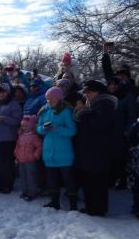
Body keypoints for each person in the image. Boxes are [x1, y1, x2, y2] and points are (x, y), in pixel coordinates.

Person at [74, 80, 118, 216]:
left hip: (99, 151)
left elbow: (98, 125)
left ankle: (98, 209)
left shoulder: (105, 104)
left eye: (89, 91)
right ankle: (91, 207)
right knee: (88, 180)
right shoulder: (91, 104)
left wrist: (83, 111)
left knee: (97, 182)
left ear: (99, 92)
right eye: (85, 91)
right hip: (89, 150)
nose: (86, 94)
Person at [37, 87, 78, 210]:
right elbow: (38, 128)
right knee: (52, 180)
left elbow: (72, 131)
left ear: (59, 98)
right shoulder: (44, 110)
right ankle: (54, 202)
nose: (49, 101)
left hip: (64, 152)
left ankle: (73, 205)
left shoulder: (66, 111)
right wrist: (43, 128)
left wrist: (56, 128)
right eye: (47, 98)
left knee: (68, 180)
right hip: (49, 152)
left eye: (51, 98)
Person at [0, 83, 22, 194]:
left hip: (9, 138)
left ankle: (9, 184)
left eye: (3, 91)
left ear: (8, 92)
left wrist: (3, 119)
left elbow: (17, 121)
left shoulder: (14, 104)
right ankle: (1, 183)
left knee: (7, 163)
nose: (1, 94)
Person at [14, 115, 42, 202]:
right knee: (23, 177)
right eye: (22, 126)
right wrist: (16, 155)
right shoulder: (20, 136)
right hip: (21, 160)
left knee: (31, 177)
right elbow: (17, 146)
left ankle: (32, 192)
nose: (24, 127)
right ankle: (24, 191)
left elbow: (39, 146)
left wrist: (35, 155)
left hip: (30, 161)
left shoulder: (34, 136)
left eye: (26, 126)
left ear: (31, 126)